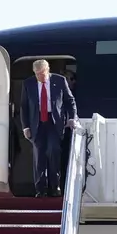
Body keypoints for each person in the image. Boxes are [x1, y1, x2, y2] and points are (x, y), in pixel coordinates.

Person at [20, 59, 79, 197]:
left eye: (42, 73)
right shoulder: (28, 83)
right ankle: (41, 189)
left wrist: (72, 117)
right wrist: (25, 126)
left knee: (54, 151)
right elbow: (24, 106)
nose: (39, 77)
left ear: (48, 70)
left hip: (54, 122)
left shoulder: (59, 81)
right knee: (39, 155)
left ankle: (55, 186)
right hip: (37, 123)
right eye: (37, 74)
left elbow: (70, 101)